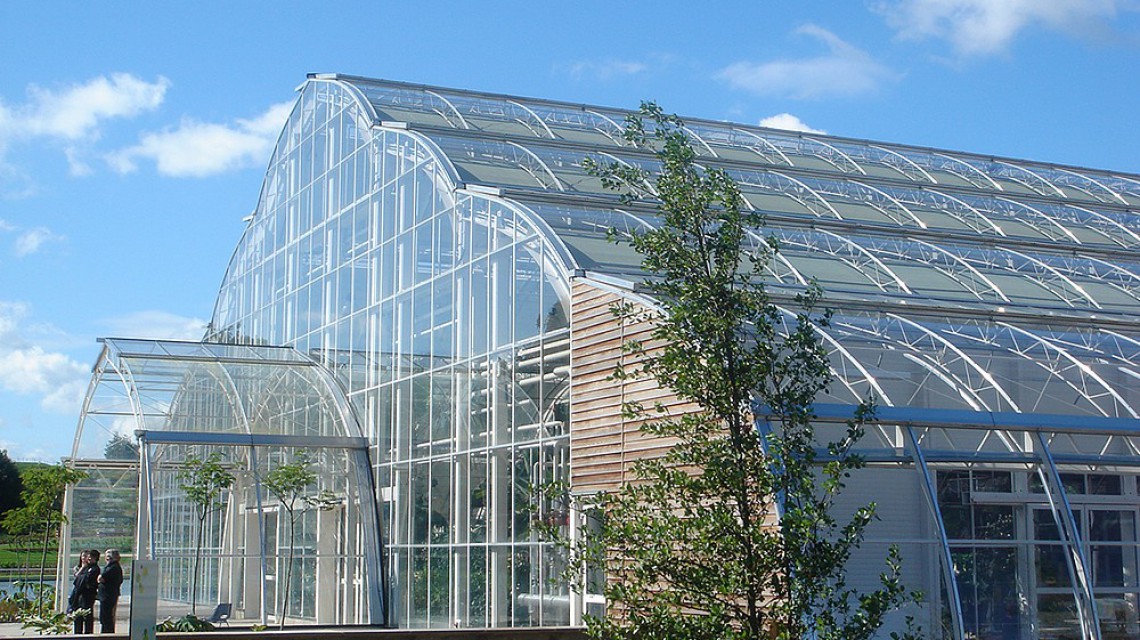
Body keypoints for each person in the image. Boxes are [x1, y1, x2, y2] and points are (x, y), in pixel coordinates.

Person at [69, 550, 100, 634]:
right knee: (78, 616)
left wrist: (81, 580)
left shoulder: (94, 569)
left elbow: (86, 580)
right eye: (87, 557)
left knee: (87, 615)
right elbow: (77, 579)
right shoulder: (84, 567)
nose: (88, 558)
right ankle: (77, 632)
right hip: (79, 595)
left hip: (87, 595)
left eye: (90, 557)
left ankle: (88, 633)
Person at [97, 549, 124, 633]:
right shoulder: (110, 567)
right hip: (106, 595)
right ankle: (106, 632)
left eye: (109, 557)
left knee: (107, 617)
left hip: (108, 595)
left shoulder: (113, 567)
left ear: (116, 558)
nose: (107, 559)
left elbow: (101, 578)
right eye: (106, 557)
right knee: (105, 617)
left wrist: (101, 578)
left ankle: (107, 633)